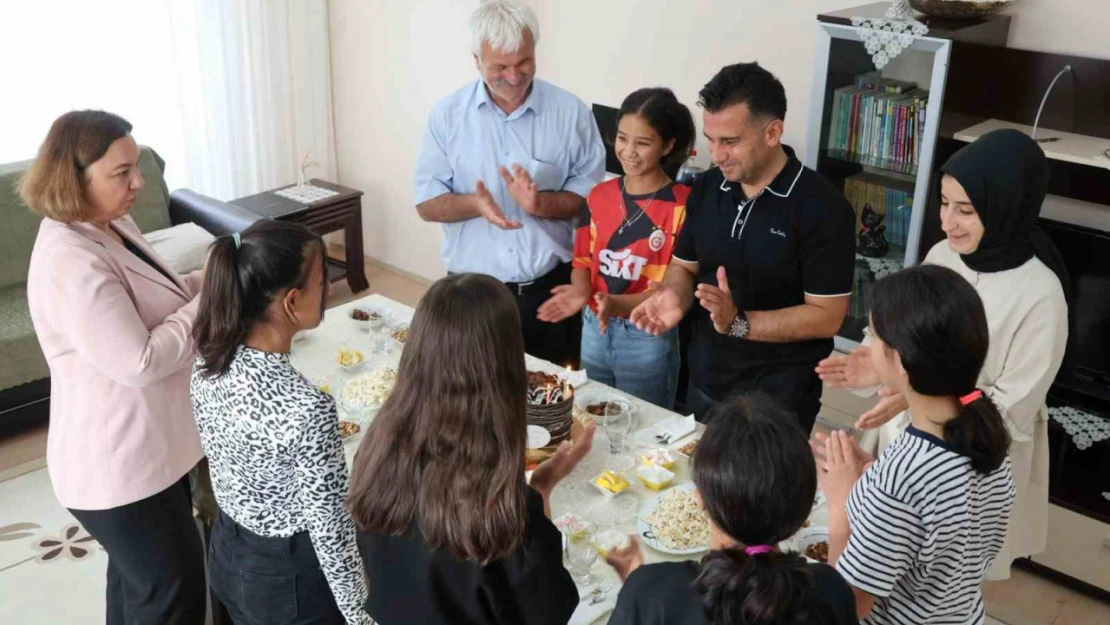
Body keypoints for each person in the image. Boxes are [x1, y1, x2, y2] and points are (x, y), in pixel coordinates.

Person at [815, 129, 1069, 579]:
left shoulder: (1041, 293)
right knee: (886, 554)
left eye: (966, 210)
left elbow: (1011, 406)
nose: (948, 222)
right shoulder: (941, 254)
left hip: (978, 452)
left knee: (947, 570)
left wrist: (918, 397)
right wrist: (876, 364)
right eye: (944, 203)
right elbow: (909, 334)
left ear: (1004, 206)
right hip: (910, 433)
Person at [22, 110, 206, 624]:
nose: (138, 183)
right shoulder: (68, 258)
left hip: (150, 449)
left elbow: (159, 299)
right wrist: (210, 301)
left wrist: (205, 277)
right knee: (173, 592)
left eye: (136, 167)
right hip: (118, 467)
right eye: (121, 172)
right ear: (74, 177)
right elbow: (140, 359)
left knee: (136, 586)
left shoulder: (110, 224)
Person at [347, 273, 597, 625]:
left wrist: (539, 486)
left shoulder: (375, 455)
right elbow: (550, 611)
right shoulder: (505, 508)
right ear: (506, 365)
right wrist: (538, 495)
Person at [630, 62, 856, 432]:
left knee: (763, 491)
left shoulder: (823, 209)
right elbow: (685, 266)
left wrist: (739, 323)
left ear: (772, 132)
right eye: (711, 139)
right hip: (705, 380)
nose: (716, 155)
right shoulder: (706, 188)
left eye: (730, 141)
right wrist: (673, 296)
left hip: (778, 399)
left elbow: (827, 315)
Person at [190, 220, 371, 624]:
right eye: (323, 281)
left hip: (226, 551)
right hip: (288, 583)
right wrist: (360, 614)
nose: (327, 290)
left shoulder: (206, 362)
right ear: (291, 302)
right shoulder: (307, 407)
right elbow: (331, 529)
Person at [817, 264, 1016, 624]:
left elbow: (846, 607)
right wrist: (871, 480)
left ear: (901, 360)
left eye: (875, 335)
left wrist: (841, 504)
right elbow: (943, 530)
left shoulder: (901, 478)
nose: (869, 346)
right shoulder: (987, 434)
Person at [413, 0, 606, 368]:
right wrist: (474, 204)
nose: (514, 77)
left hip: (551, 289)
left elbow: (590, 201)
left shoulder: (571, 113)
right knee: (473, 397)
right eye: (500, 67)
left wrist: (541, 205)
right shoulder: (446, 117)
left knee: (552, 396)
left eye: (524, 63)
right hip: (473, 294)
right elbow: (426, 202)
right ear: (477, 61)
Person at [604, 394, 857, 625]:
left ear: (700, 499)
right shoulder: (830, 589)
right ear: (802, 509)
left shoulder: (653, 590)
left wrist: (639, 594)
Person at [537, 87, 695, 409]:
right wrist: (583, 294)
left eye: (643, 143)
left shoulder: (682, 205)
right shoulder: (598, 196)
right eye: (622, 139)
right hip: (595, 327)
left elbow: (671, 288)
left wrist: (616, 304)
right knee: (594, 413)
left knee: (643, 425)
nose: (628, 151)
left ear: (667, 145)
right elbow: (582, 261)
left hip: (646, 334)